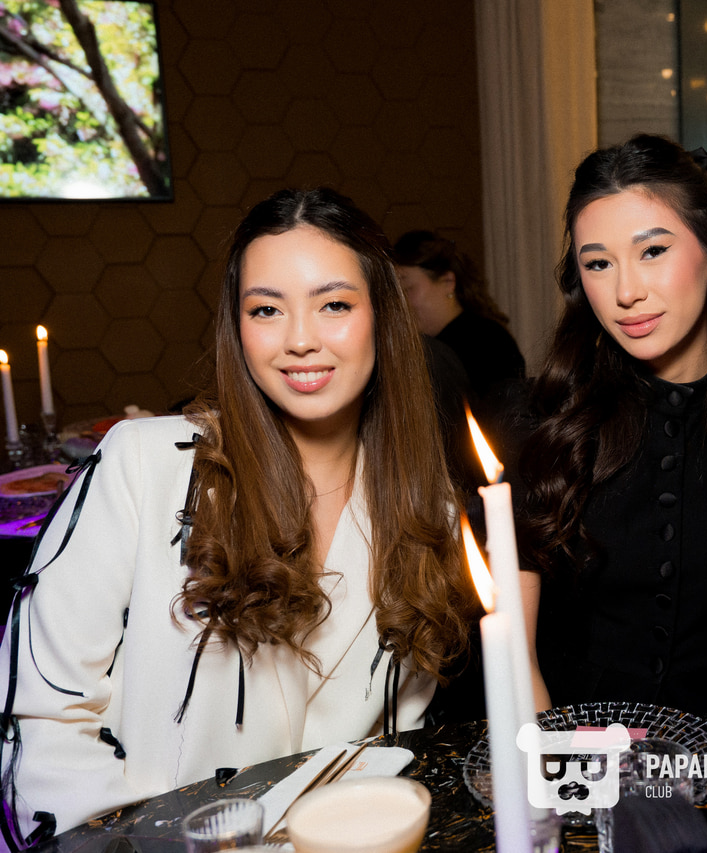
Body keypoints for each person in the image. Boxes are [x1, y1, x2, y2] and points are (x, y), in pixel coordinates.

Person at [0, 188, 473, 845]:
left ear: (382, 318)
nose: (300, 339)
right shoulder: (146, 466)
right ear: (238, 327)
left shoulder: (427, 512)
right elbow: (41, 715)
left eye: (334, 304)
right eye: (266, 309)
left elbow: (387, 750)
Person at [516, 134, 707, 721]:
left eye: (653, 251)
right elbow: (514, 656)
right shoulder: (542, 422)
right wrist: (547, 765)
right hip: (569, 746)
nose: (626, 292)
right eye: (598, 263)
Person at [391, 230, 525, 405]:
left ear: (448, 282)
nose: (401, 303)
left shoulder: (488, 341)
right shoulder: (420, 346)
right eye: (396, 295)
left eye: (408, 289)